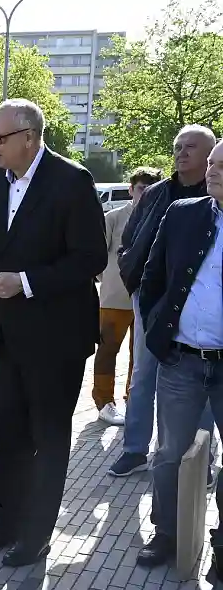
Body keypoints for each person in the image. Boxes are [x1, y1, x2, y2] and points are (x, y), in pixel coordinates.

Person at [0, 99, 107, 567]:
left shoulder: (72, 181)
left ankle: (37, 534)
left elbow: (90, 258)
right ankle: (8, 522)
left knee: (48, 436)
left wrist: (25, 282)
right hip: (9, 332)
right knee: (10, 433)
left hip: (56, 336)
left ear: (29, 137)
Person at [110, 125, 218, 479]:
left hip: (197, 308)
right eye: (177, 146)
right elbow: (130, 239)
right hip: (152, 300)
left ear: (210, 155)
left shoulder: (214, 198)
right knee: (144, 374)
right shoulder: (157, 193)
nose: (181, 153)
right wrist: (135, 280)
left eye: (190, 147)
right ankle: (134, 450)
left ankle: (197, 462)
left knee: (201, 381)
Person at [136, 139, 223, 568]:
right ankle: (166, 532)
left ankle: (222, 544)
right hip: (181, 360)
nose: (212, 170)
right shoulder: (183, 213)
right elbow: (152, 277)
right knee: (169, 452)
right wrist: (159, 331)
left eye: (221, 165)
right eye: (212, 163)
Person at [92, 167, 163, 426]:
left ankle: (134, 400)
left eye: (151, 189)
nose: (145, 194)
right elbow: (98, 256)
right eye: (141, 188)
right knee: (108, 349)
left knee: (140, 355)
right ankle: (104, 401)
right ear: (131, 189)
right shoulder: (113, 217)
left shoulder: (162, 217)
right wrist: (110, 280)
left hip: (148, 298)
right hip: (115, 298)